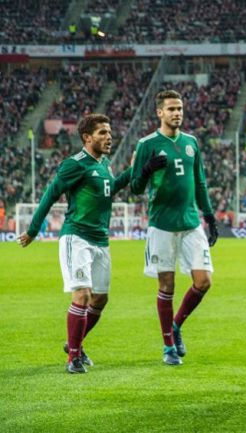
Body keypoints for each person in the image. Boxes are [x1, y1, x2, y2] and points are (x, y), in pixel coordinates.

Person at [18, 114, 157, 373]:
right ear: (87, 137)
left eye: (109, 132)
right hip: (77, 237)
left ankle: (75, 343)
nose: (109, 137)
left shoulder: (103, 165)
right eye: (103, 132)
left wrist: (136, 169)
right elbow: (51, 193)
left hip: (100, 240)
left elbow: (111, 189)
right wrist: (34, 229)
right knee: (82, 294)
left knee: (100, 299)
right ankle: (73, 357)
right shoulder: (74, 164)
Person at [130, 90, 219, 366]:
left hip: (191, 223)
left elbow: (201, 183)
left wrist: (210, 216)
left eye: (179, 108)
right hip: (162, 225)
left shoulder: (191, 142)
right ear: (159, 112)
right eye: (171, 109)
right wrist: (145, 170)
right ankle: (168, 345)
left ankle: (177, 325)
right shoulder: (147, 144)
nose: (176, 113)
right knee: (166, 284)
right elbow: (135, 188)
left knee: (203, 281)